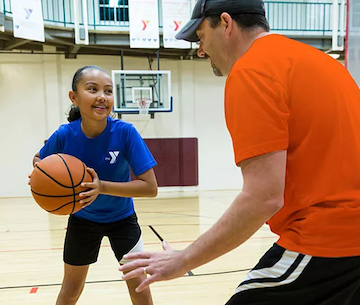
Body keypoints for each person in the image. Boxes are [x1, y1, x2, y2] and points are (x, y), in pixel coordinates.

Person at [119, 0, 360, 304]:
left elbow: (263, 197)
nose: (200, 50)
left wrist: (182, 260)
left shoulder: (252, 70)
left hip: (328, 238)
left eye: (201, 36)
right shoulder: (323, 62)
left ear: (226, 23)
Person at [30, 65, 157, 305]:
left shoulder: (126, 133)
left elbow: (150, 187)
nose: (102, 96)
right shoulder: (64, 135)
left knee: (140, 287)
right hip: (82, 220)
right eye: (92, 89)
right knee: (71, 290)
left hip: (123, 219)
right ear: (74, 97)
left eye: (108, 91)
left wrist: (101, 187)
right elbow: (39, 158)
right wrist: (39, 172)